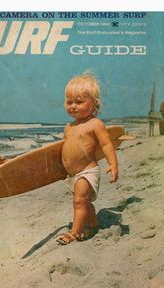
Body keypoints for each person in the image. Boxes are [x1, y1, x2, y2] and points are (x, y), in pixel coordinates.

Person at [57, 73, 118, 245]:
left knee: (79, 201)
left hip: (87, 171)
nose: (73, 106)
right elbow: (63, 150)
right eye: (70, 102)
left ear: (94, 103)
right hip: (71, 175)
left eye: (79, 101)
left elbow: (106, 145)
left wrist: (113, 164)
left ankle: (74, 232)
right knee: (84, 202)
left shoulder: (95, 124)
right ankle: (92, 223)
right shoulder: (68, 127)